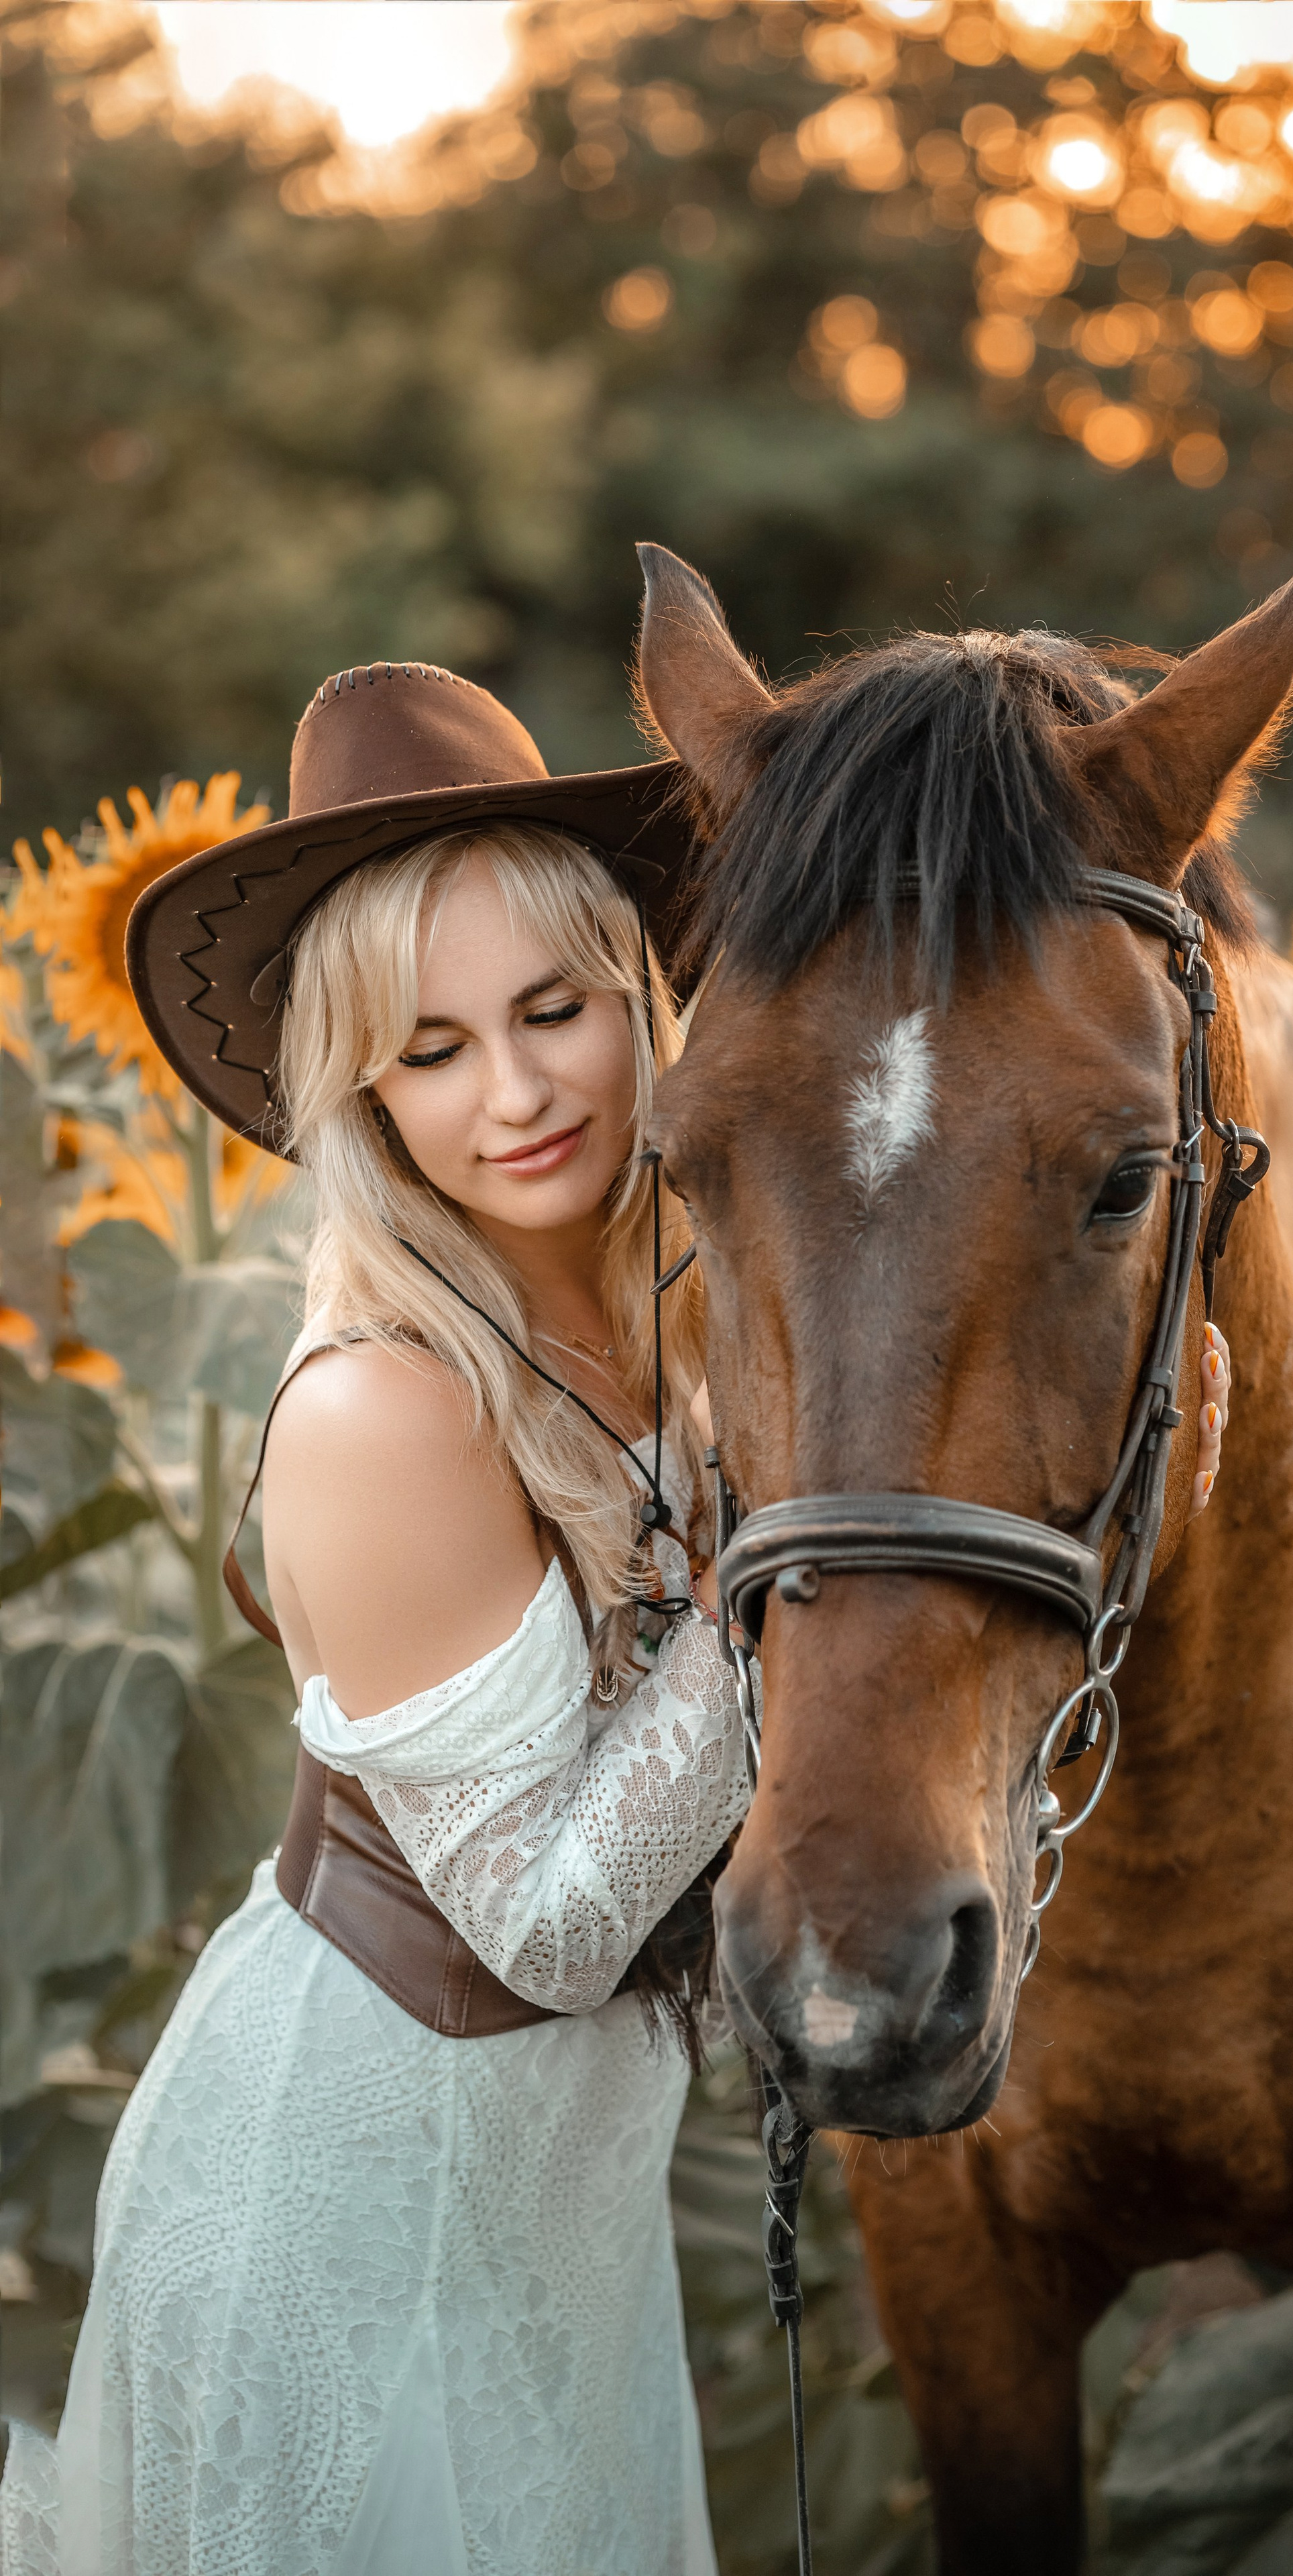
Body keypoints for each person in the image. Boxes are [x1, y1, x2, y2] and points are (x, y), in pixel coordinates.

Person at [0, 665, 747, 2576]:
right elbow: (553, 1924)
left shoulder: (694, 1309)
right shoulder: (384, 1406)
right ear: (359, 1094)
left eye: (555, 1013)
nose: (514, 1095)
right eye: (430, 1050)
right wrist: (806, 1568)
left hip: (556, 2217)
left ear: (639, 999)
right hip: (353, 2205)